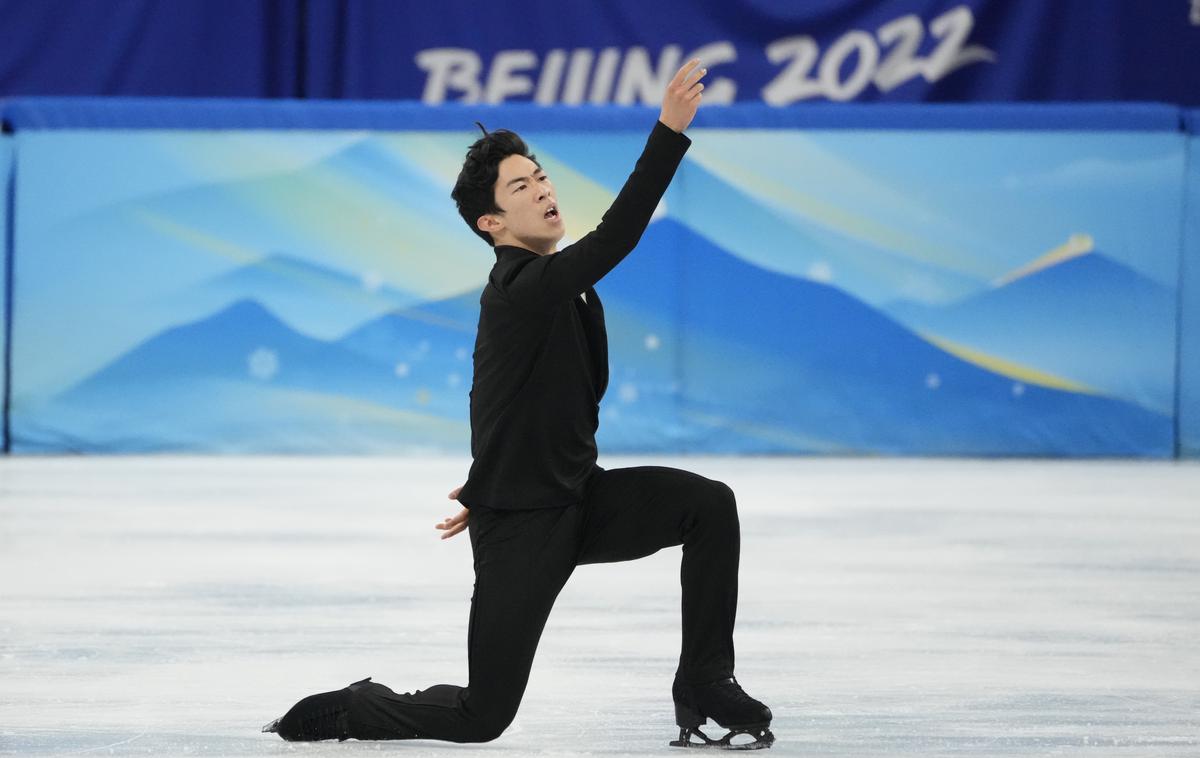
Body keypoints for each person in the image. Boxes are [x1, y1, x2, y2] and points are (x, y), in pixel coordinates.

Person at [264, 59, 774, 750]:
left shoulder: (560, 290)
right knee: (484, 717)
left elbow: (497, 389)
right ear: (492, 222)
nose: (543, 191)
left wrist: (492, 473)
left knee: (708, 505)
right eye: (521, 186)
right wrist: (668, 133)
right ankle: (359, 708)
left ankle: (704, 682)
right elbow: (616, 238)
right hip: (524, 531)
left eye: (541, 177)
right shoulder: (520, 286)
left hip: (575, 500)